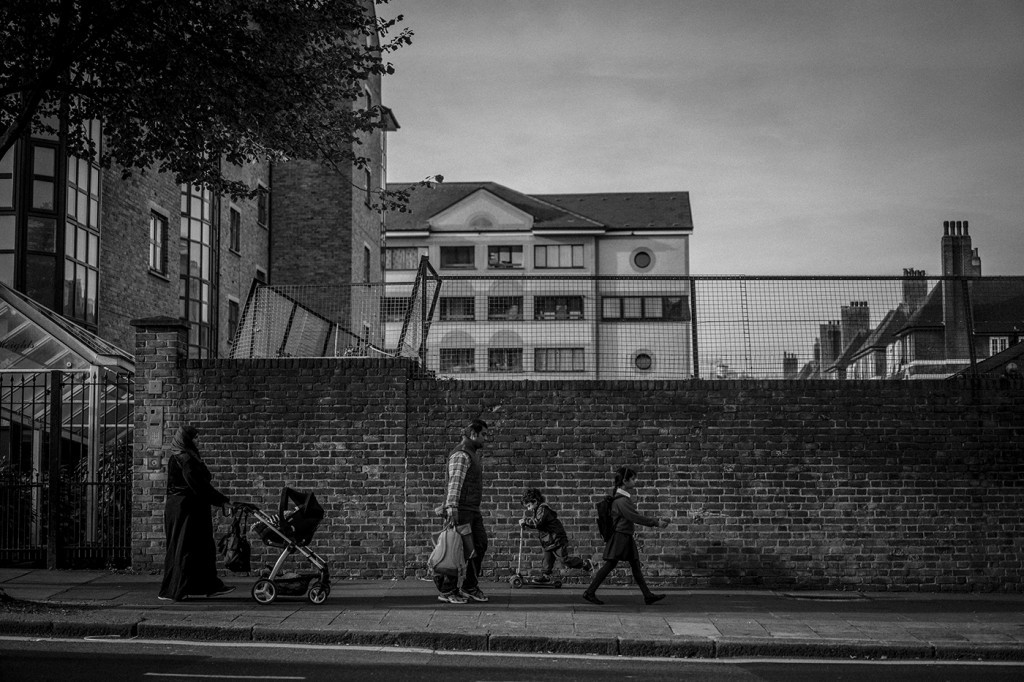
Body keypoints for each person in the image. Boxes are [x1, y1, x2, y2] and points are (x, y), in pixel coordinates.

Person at [158, 424, 237, 601]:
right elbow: (199, 486)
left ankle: (207, 586)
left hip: (184, 508)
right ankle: (177, 590)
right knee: (187, 547)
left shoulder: (181, 456)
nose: (197, 440)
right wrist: (222, 500)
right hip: (187, 510)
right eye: (194, 437)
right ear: (186, 439)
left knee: (198, 547)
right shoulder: (186, 459)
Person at [582, 466, 670, 606]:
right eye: (633, 479)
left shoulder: (621, 498)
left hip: (625, 536)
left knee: (635, 565)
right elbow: (634, 517)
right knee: (611, 564)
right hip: (620, 537)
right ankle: (590, 592)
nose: (635, 481)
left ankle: (647, 595)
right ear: (625, 480)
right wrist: (656, 523)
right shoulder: (621, 501)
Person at [435, 418, 491, 604]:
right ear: (473, 434)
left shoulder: (471, 454)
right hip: (461, 510)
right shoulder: (461, 455)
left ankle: (469, 586)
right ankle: (447, 590)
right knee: (455, 549)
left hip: (472, 510)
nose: (485, 439)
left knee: (479, 545)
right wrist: (451, 508)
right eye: (483, 434)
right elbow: (455, 483)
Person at [519, 487, 594, 582]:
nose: (528, 509)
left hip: (556, 538)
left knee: (564, 559)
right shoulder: (537, 509)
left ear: (535, 501)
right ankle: (546, 576)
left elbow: (538, 522)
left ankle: (585, 563)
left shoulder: (542, 509)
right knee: (547, 560)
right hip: (549, 540)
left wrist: (525, 521)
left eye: (529, 505)